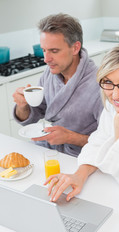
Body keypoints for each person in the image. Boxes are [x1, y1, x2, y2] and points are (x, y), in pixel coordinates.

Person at [45, 41, 119, 202]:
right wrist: (80, 175)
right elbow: (98, 143)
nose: (115, 94)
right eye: (108, 82)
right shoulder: (115, 104)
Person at [13, 13, 103, 157]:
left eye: (54, 51)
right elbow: (34, 115)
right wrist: (22, 106)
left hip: (81, 158)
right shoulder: (50, 73)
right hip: (49, 151)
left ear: (75, 48)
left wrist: (70, 137)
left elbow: (113, 141)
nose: (46, 59)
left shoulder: (100, 85)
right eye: (44, 50)